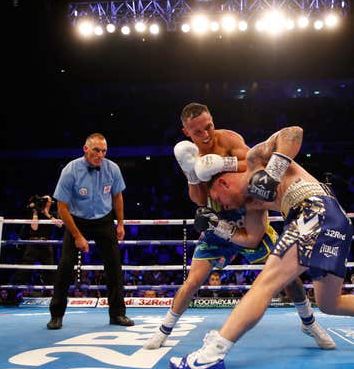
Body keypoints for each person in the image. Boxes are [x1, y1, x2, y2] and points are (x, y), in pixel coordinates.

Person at [170, 125, 354, 369]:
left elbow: (294, 132)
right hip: (335, 222)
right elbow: (252, 240)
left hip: (314, 209)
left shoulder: (254, 160)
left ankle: (211, 356)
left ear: (223, 183)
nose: (222, 207)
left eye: (219, 201)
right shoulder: (253, 204)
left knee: (264, 285)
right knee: (330, 303)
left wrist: (272, 173)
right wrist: (219, 227)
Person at [143, 103, 334, 351]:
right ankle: (163, 330)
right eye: (198, 131)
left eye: (208, 126)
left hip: (249, 213)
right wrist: (193, 174)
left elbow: (254, 165)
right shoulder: (189, 154)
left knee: (286, 275)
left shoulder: (229, 138)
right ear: (186, 132)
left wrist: (223, 164)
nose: (206, 134)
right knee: (193, 281)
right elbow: (200, 199)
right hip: (218, 220)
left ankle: (308, 321)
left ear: (212, 119)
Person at [46, 133, 133, 330]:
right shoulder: (71, 170)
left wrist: (120, 224)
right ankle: (56, 314)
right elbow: (62, 207)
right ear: (86, 149)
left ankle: (118, 314)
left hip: (104, 220)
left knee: (114, 267)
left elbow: (117, 197)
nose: (100, 155)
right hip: (77, 220)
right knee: (66, 266)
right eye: (96, 150)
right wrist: (77, 236)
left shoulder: (112, 169)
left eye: (103, 151)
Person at [15, 194, 61, 288]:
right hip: (33, 243)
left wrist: (47, 214)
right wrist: (35, 212)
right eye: (45, 201)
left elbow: (59, 225)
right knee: (26, 267)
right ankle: (14, 291)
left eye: (48, 201)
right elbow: (34, 228)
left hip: (46, 243)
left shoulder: (53, 213)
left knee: (49, 269)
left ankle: (50, 292)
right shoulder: (35, 211)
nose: (46, 203)